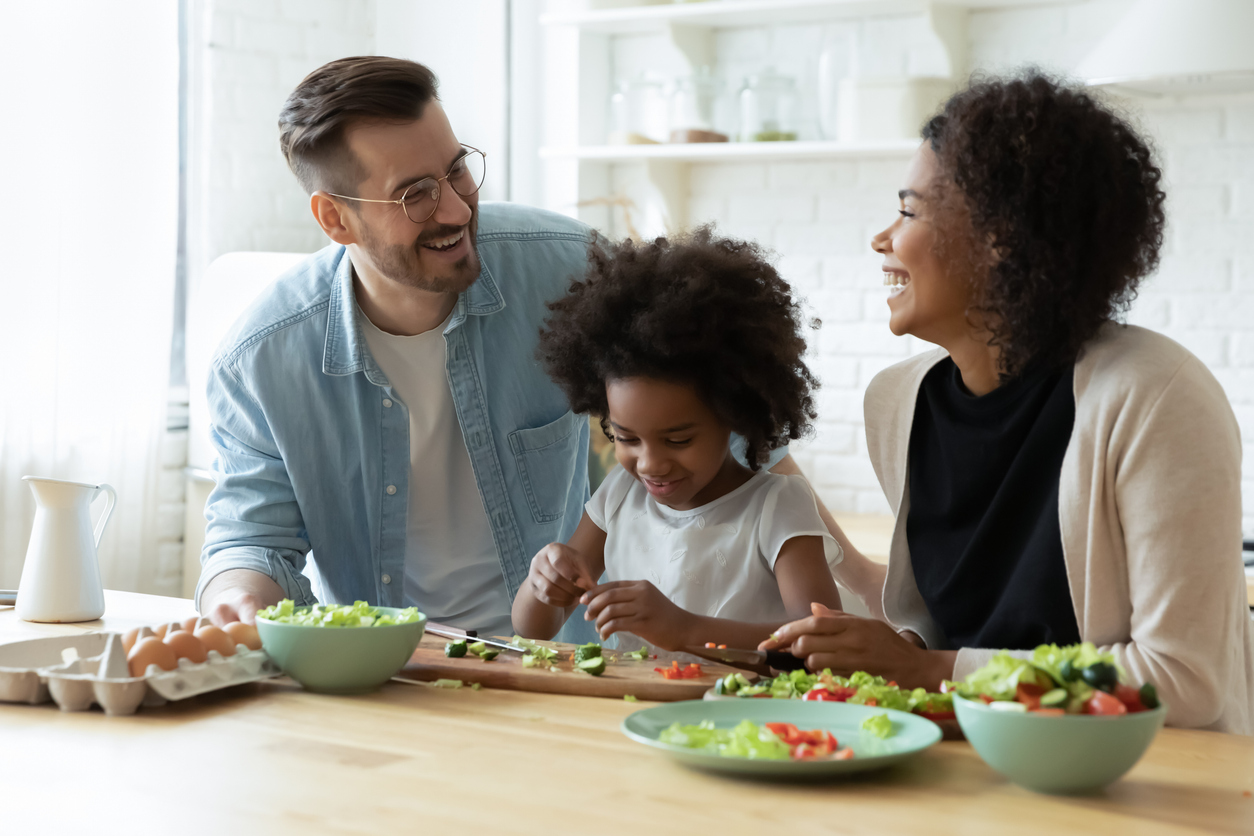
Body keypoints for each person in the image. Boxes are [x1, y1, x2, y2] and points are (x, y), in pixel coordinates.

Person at [196, 56, 834, 641]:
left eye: (455, 170)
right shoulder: (260, 360)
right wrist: (238, 599)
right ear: (335, 220)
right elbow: (253, 537)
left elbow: (735, 415)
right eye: (414, 193)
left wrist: (859, 584)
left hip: (562, 664)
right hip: (393, 670)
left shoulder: (565, 267)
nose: (454, 209)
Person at [761, 70, 1254, 734]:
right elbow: (942, 624)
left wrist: (928, 670)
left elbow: (1183, 682)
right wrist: (879, 650)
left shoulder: (1156, 396)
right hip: (969, 753)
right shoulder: (897, 404)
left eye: (908, 211)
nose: (883, 239)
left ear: (1002, 238)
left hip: (1141, 783)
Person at [511, 230, 843, 649]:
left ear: (732, 414)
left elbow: (825, 642)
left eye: (678, 439)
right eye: (626, 437)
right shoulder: (620, 494)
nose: (649, 464)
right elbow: (534, 628)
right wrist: (543, 580)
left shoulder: (776, 507)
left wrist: (686, 630)